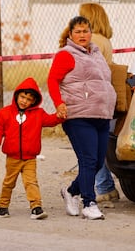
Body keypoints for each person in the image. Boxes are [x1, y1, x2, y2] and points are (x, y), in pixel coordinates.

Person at [48, 16, 116, 220]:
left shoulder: (96, 53)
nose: (82, 35)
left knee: (96, 163)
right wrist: (59, 103)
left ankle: (70, 191)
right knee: (87, 160)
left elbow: (104, 80)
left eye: (85, 31)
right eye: (77, 31)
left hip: (102, 114)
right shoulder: (66, 55)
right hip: (78, 115)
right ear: (70, 35)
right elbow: (52, 79)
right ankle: (89, 203)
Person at [0, 77, 63, 220]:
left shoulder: (38, 114)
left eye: (29, 99)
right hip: (13, 157)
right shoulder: (4, 113)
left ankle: (36, 207)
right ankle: (3, 206)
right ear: (17, 95)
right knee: (9, 183)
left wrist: (60, 116)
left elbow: (51, 120)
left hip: (30, 158)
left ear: (34, 101)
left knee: (31, 182)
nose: (24, 101)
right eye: (22, 97)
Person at [79, 2, 120, 205]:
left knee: (91, 145)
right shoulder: (105, 40)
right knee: (98, 143)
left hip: (91, 98)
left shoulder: (91, 40)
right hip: (105, 96)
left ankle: (103, 186)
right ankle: (107, 186)